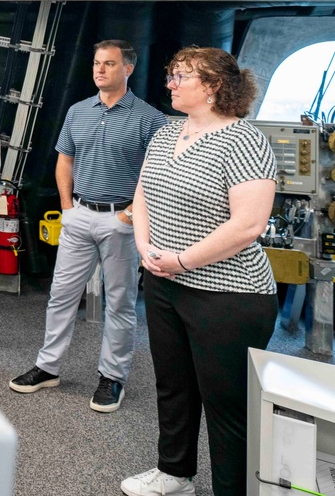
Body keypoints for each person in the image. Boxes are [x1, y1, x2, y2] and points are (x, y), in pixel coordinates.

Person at [121, 47, 277, 496]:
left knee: (226, 405)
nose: (170, 82)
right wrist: (145, 247)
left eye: (181, 76)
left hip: (229, 294)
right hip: (166, 283)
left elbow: (248, 225)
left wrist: (183, 260)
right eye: (171, 74)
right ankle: (174, 474)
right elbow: (144, 195)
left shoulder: (243, 140)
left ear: (212, 86)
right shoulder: (167, 133)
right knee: (174, 387)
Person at [9, 40, 166, 413]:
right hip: (79, 215)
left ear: (128, 68)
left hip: (121, 221)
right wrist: (67, 208)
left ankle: (112, 378)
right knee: (61, 294)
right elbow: (65, 161)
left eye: (109, 64)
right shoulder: (78, 111)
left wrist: (128, 216)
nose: (99, 70)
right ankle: (48, 368)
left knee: (120, 302)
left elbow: (154, 174)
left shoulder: (150, 118)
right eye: (97, 63)